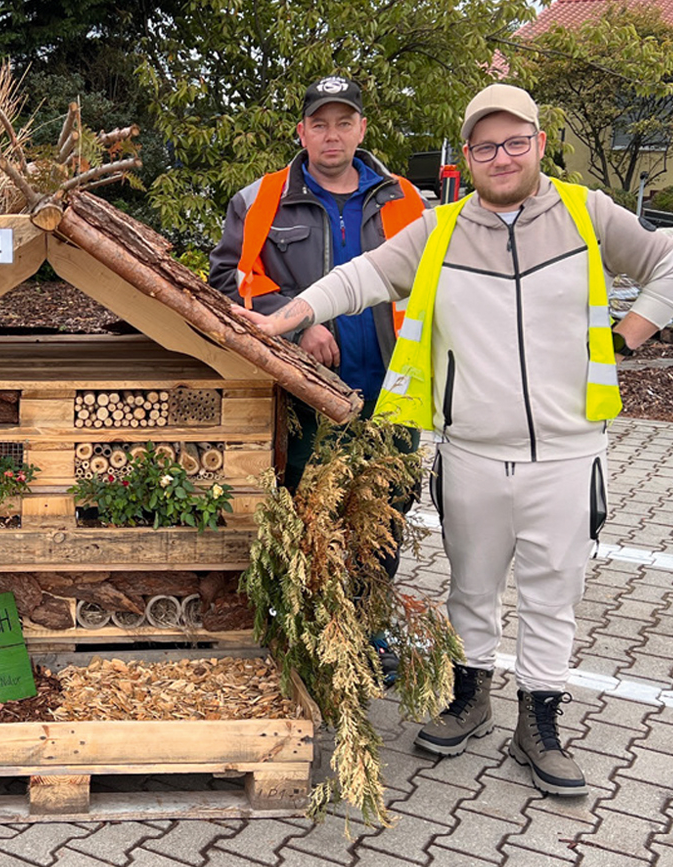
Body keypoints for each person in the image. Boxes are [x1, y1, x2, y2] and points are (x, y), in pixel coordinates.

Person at [233, 83, 673, 797]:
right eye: (486, 146)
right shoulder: (439, 228)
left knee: (553, 594)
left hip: (566, 452)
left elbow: (667, 261)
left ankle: (542, 720)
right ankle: (470, 697)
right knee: (471, 588)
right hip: (468, 449)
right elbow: (362, 276)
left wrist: (633, 331)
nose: (502, 157)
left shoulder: (587, 213)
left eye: (515, 142)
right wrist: (289, 317)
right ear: (467, 155)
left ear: (537, 143)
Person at [208, 76, 426, 680]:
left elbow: (433, 285)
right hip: (303, 391)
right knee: (309, 511)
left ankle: (369, 629)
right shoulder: (260, 199)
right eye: (320, 123)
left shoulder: (406, 199)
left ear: (361, 129)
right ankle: (306, 632)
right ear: (302, 131)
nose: (332, 135)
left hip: (392, 388)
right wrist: (299, 321)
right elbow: (229, 282)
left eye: (344, 122)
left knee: (383, 512)